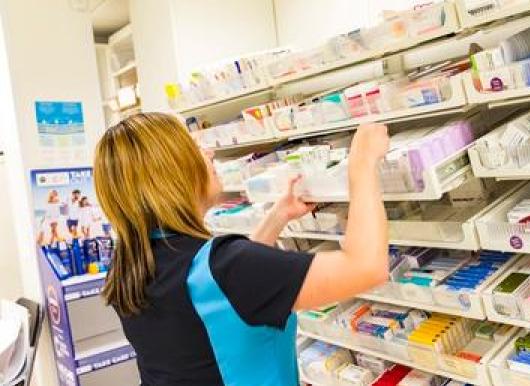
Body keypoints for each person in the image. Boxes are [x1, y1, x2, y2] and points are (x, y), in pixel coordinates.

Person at [93, 113, 389, 386]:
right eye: (194, 148)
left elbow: (225, 296)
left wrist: (277, 217)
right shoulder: (226, 266)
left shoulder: (130, 263)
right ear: (173, 173)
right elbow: (366, 266)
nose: (208, 153)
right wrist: (362, 163)